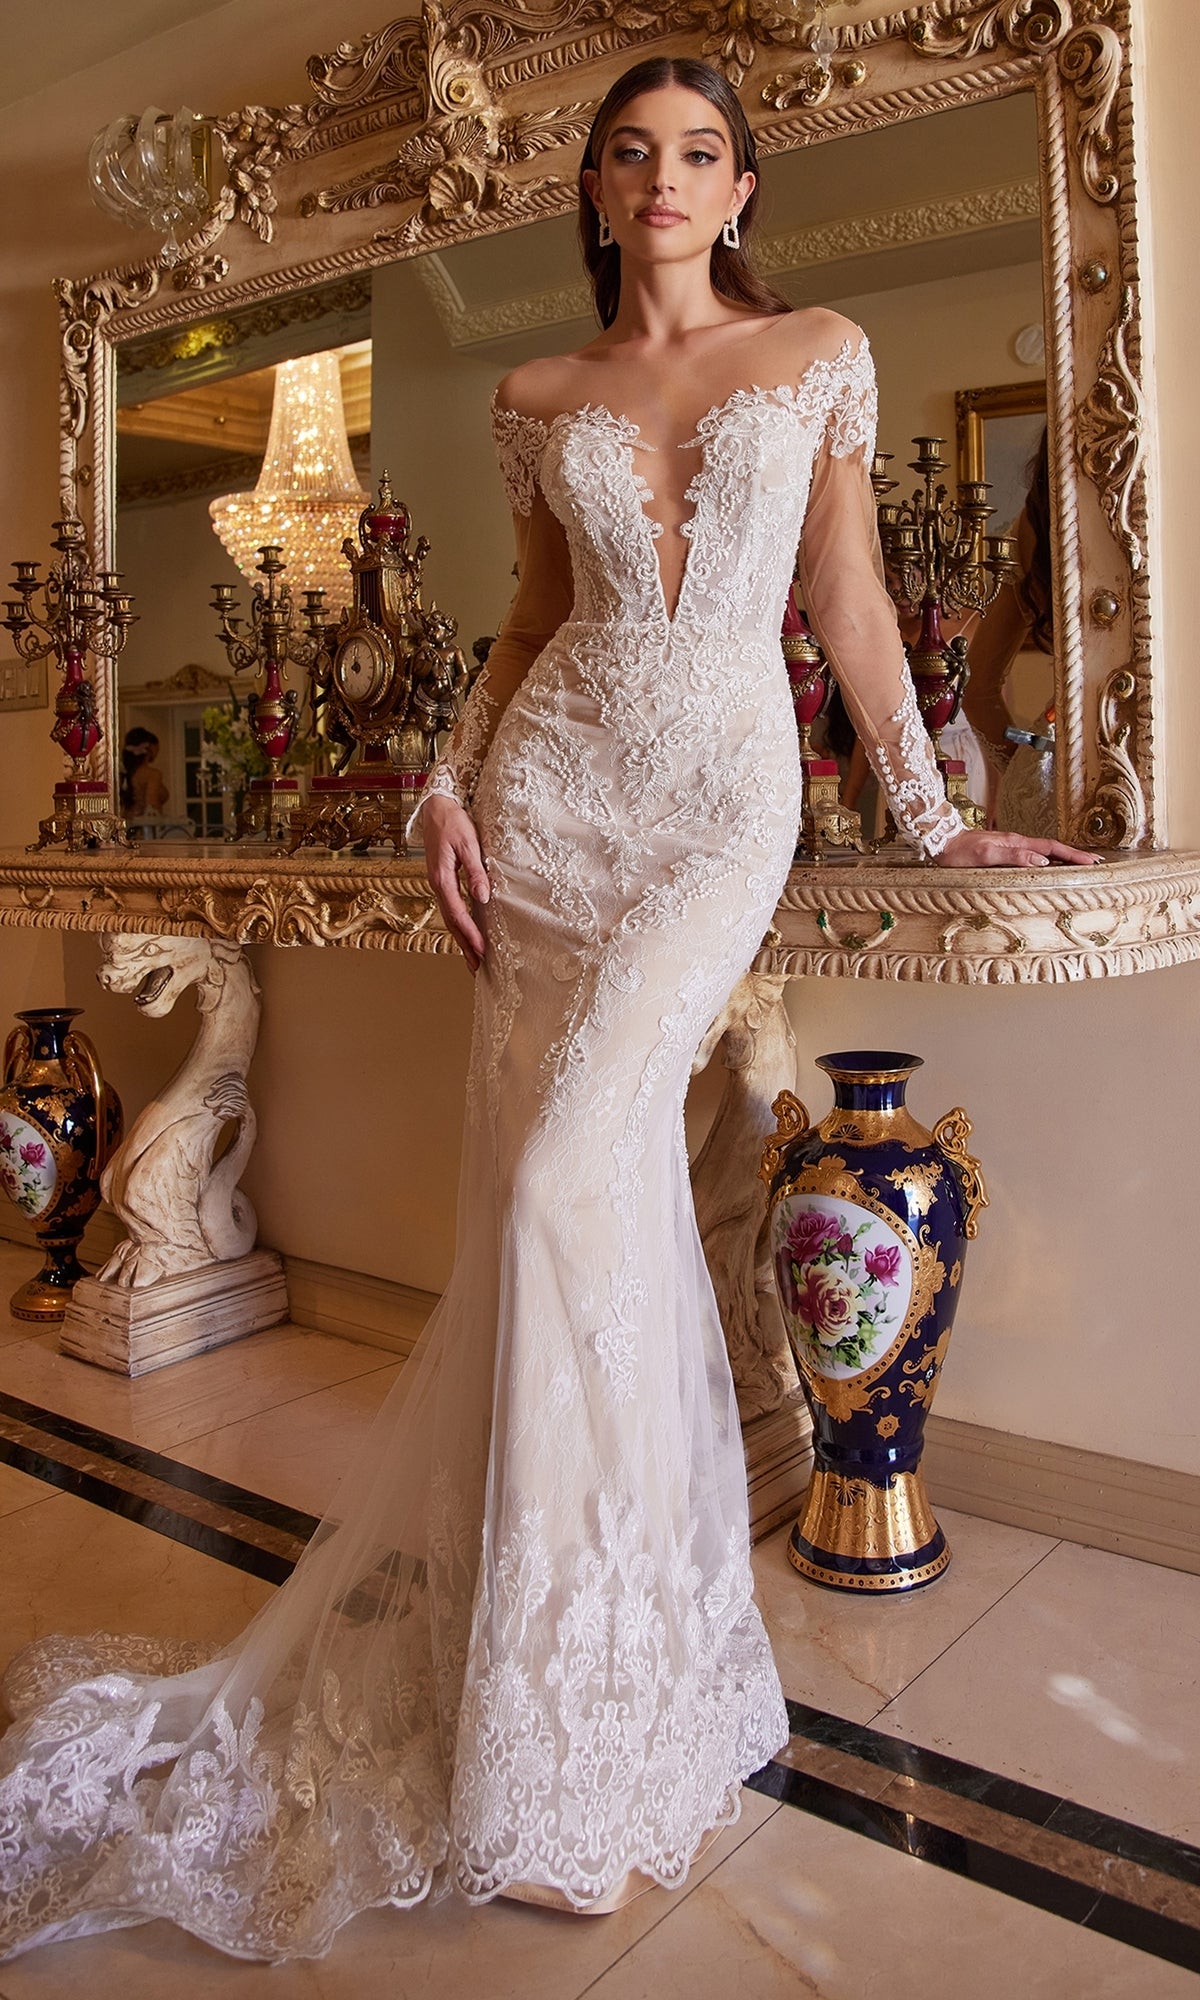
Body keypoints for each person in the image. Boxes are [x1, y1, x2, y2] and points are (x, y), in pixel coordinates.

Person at [0, 57, 1097, 1964]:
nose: (659, 180)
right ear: (591, 192)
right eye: (626, 154)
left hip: (717, 807)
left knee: (561, 1195)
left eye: (694, 154)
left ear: (742, 185)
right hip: (547, 806)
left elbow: (841, 595)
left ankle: (598, 1709)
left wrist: (936, 819)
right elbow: (523, 623)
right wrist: (441, 780)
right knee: (546, 1230)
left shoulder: (819, 353)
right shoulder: (537, 399)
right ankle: (575, 1713)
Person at [119, 727, 168, 818]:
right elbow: (151, 807)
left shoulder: (125, 773)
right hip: (144, 828)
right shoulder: (152, 775)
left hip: (126, 824)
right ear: (151, 748)